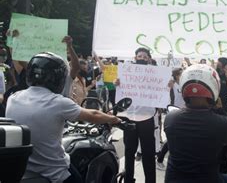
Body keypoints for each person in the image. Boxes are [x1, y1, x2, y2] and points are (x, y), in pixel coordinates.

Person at [6, 52, 121, 183]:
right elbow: (93, 115)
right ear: (57, 78)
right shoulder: (57, 102)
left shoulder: (14, 97)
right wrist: (113, 119)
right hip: (53, 172)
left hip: (21, 170)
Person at [163, 64, 227, 183]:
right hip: (208, 179)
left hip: (173, 179)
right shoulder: (222, 123)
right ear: (214, 88)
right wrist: (219, 109)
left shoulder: (171, 117)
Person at [115, 47, 157, 183]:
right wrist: (118, 84)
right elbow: (121, 96)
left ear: (149, 59)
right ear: (135, 58)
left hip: (147, 119)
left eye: (145, 57)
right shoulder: (127, 74)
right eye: (140, 56)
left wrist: (167, 86)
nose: (142, 59)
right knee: (129, 152)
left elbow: (161, 94)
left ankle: (150, 180)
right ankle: (128, 179)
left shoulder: (156, 75)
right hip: (130, 119)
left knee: (149, 154)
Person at [157, 68, 185, 171]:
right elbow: (164, 91)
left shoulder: (184, 83)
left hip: (184, 113)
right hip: (174, 112)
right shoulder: (173, 84)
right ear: (177, 75)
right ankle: (159, 160)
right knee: (172, 138)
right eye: (181, 73)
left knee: (180, 138)